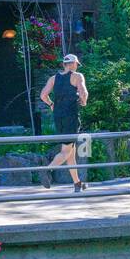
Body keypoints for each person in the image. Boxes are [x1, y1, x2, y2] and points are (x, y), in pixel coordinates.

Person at [39, 53, 89, 191]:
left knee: (69, 151)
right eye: (76, 64)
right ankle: (47, 170)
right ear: (73, 64)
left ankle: (77, 183)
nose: (76, 67)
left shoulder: (53, 78)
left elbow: (43, 95)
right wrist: (83, 102)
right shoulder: (77, 76)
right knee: (67, 151)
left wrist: (51, 104)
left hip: (58, 117)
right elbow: (83, 93)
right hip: (71, 117)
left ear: (64, 64)